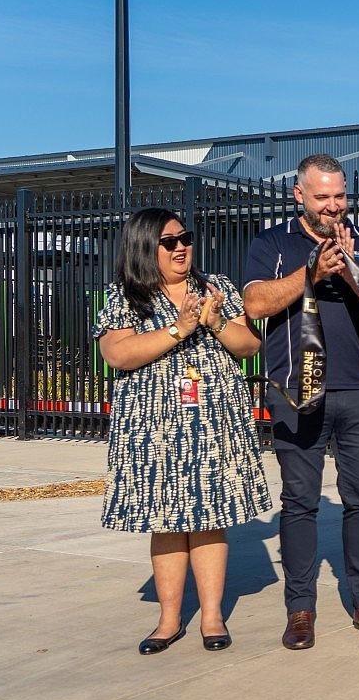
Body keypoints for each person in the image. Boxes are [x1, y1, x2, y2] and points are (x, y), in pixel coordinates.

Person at [95, 208, 268, 654]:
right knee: (167, 522)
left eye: (185, 238)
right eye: (169, 241)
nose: (181, 248)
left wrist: (213, 321)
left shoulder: (217, 288)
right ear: (144, 247)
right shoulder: (126, 296)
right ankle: (169, 620)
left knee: (210, 518)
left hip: (214, 421)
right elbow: (118, 354)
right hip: (152, 427)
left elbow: (249, 346)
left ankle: (212, 618)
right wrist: (179, 328)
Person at [243, 153, 359, 649]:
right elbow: (255, 303)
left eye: (340, 197)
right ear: (300, 196)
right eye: (323, 197)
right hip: (297, 391)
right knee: (300, 503)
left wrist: (350, 268)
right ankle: (301, 608)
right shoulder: (273, 243)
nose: (333, 207)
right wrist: (310, 273)